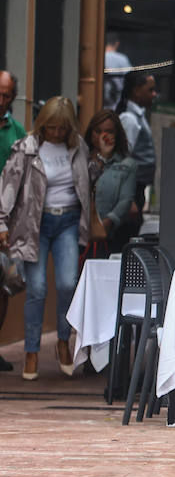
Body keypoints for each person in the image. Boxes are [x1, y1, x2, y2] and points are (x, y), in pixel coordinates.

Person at [0, 97, 92, 381]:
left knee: (67, 283)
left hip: (68, 221)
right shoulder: (26, 148)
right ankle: (31, 351)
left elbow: (87, 181)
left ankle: (63, 341)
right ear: (42, 125)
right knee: (36, 288)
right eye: (50, 127)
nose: (55, 133)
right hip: (34, 224)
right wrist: (1, 222)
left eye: (61, 129)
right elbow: (9, 185)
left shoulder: (78, 147)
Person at [84, 109, 137, 255]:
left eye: (109, 131)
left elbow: (125, 200)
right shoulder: (81, 160)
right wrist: (102, 159)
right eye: (98, 131)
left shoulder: (127, 165)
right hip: (81, 232)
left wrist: (107, 223)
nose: (103, 136)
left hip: (112, 235)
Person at [0, 69, 23, 368]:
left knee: (3, 284)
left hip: (4, 221)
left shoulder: (17, 131)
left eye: (6, 95)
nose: (1, 99)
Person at [116, 71, 158, 216]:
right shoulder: (130, 119)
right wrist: (128, 198)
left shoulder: (138, 115)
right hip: (131, 189)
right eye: (150, 90)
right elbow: (123, 158)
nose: (154, 94)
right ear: (136, 91)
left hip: (138, 187)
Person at [104, 32, 132, 110]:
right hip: (116, 107)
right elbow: (131, 80)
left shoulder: (98, 56)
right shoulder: (122, 59)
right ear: (117, 43)